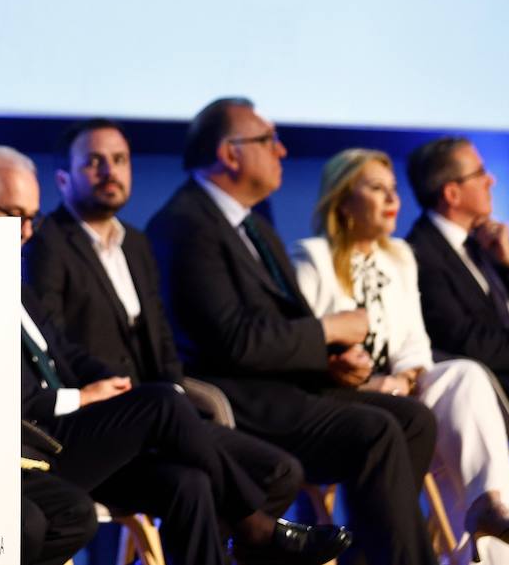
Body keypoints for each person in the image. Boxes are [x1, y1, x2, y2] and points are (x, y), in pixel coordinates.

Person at [0, 143, 351, 565]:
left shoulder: (11, 276)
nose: (27, 231)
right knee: (162, 402)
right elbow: (1, 398)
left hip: (76, 434)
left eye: (32, 217)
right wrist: (85, 398)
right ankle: (254, 525)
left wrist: (115, 387)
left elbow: (62, 351)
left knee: (189, 483)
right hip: (31, 446)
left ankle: (250, 529)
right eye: (15, 216)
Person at [146, 97, 437, 565]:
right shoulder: (185, 225)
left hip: (287, 385)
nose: (281, 151)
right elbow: (234, 342)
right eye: (268, 140)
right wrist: (328, 330)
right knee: (375, 431)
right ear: (230, 153)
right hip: (242, 396)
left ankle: (374, 556)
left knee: (415, 419)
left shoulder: (253, 221)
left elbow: (285, 324)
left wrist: (331, 359)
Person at [20, 121, 305, 522]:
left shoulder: (136, 243)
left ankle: (249, 536)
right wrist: (130, 398)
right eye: (94, 163)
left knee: (280, 472)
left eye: (119, 160)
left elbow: (162, 336)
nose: (110, 172)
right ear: (63, 179)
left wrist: (172, 389)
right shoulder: (46, 243)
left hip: (160, 410)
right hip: (98, 421)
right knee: (190, 484)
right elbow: (55, 346)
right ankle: (254, 526)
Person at [292, 148, 509, 561]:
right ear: (344, 200)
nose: (392, 200)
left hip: (403, 390)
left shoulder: (399, 257)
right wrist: (367, 380)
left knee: (465, 376)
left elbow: (415, 342)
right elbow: (305, 347)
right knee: (423, 426)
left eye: (394, 189)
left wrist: (406, 375)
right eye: (378, 189)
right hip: (344, 396)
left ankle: (492, 508)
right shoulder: (312, 258)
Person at [405, 137, 509, 416]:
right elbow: (466, 341)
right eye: (480, 173)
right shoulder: (421, 254)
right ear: (452, 194)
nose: (491, 180)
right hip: (492, 384)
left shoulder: (483, 241)